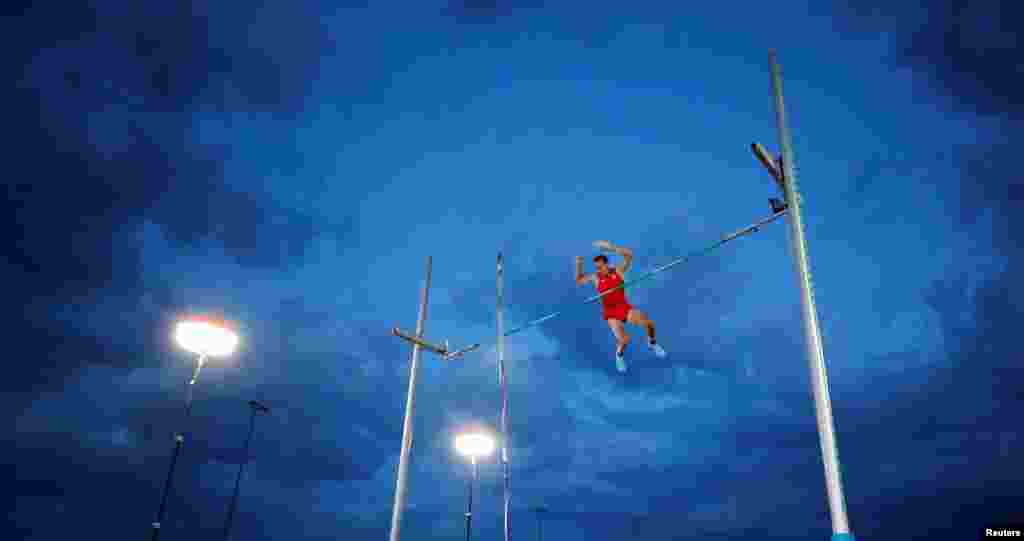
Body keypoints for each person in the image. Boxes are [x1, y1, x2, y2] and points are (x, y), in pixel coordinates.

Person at [576, 241, 666, 372]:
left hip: (624, 308)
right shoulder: (595, 278)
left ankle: (652, 343)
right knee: (624, 340)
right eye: (596, 267)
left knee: (649, 324)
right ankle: (619, 356)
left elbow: (629, 256)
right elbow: (579, 281)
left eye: (600, 266)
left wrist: (610, 247)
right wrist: (579, 265)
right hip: (610, 313)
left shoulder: (618, 271)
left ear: (607, 264)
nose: (598, 269)